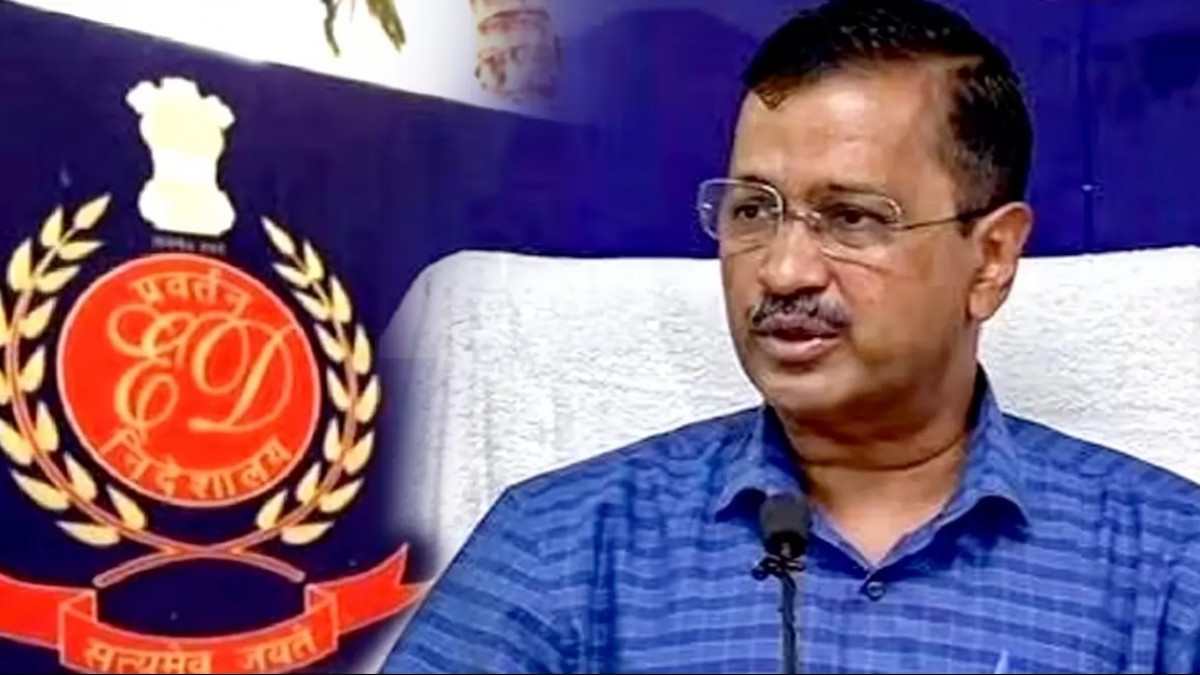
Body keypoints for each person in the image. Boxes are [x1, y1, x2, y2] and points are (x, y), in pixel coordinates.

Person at [381, 0, 1200, 672]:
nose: (782, 271)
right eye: (752, 211)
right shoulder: (562, 543)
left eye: (852, 218)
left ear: (990, 258)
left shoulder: (1168, 563)